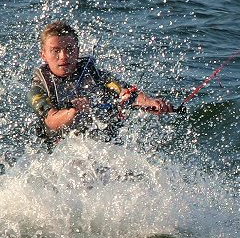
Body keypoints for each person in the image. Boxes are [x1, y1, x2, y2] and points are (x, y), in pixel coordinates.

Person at [28, 20, 173, 147]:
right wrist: (73, 111)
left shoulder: (94, 75)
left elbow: (125, 92)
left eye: (69, 49)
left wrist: (148, 102)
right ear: (44, 55)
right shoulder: (38, 88)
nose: (63, 56)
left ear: (78, 51)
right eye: (55, 51)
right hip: (61, 151)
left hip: (103, 145)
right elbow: (51, 121)